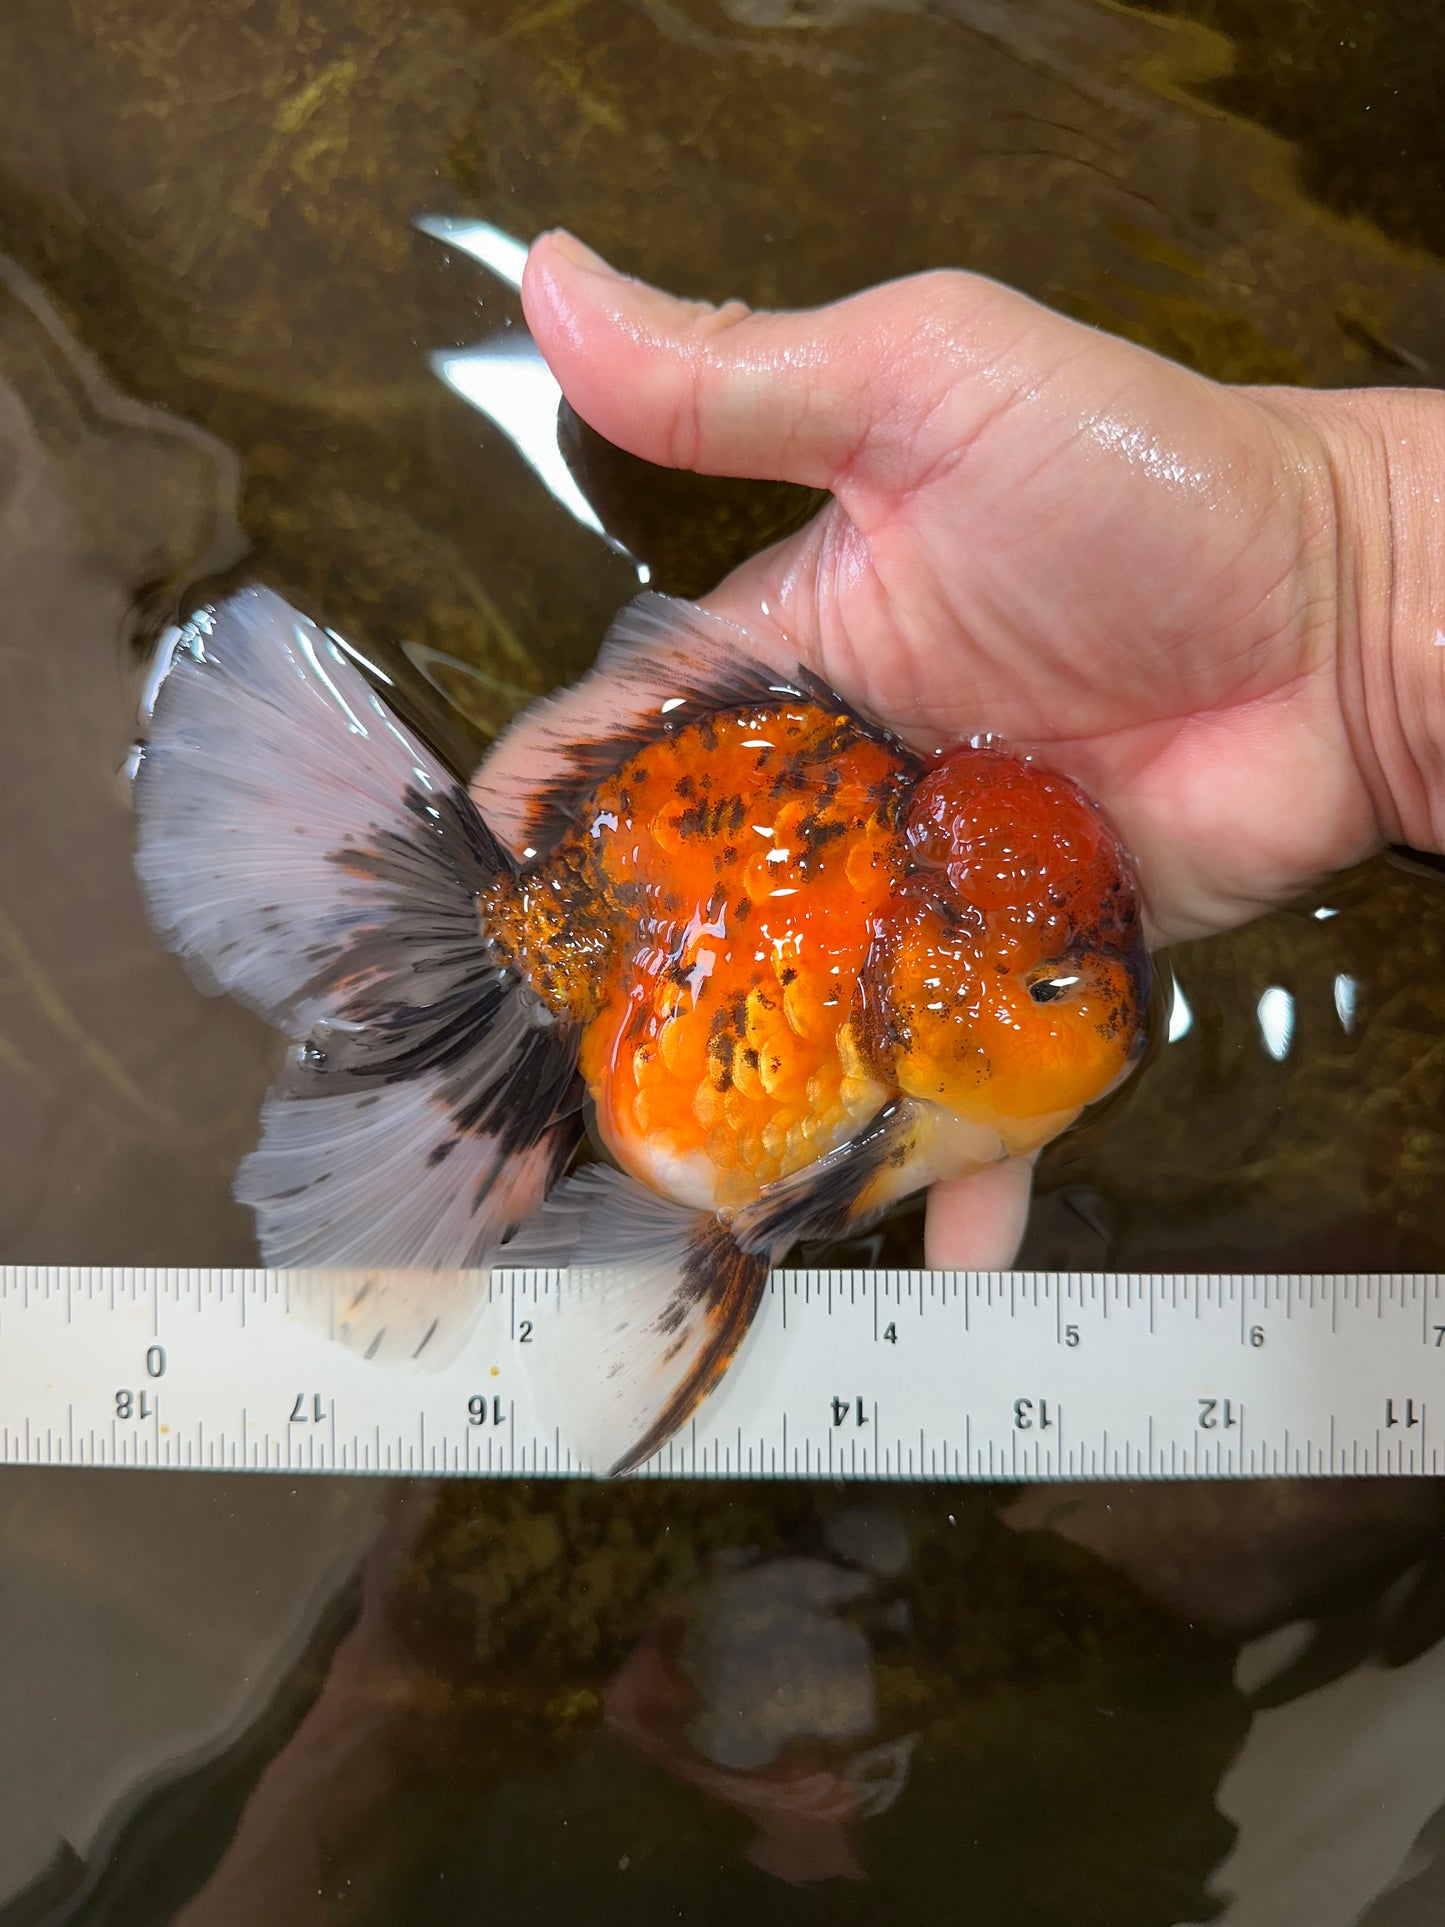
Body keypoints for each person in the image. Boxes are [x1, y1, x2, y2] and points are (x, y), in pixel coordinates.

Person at [519, 231, 1445, 1269]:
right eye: (1052, 978)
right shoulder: (894, 951)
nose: (1096, 998)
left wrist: (1354, 568)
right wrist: (1354, 571)